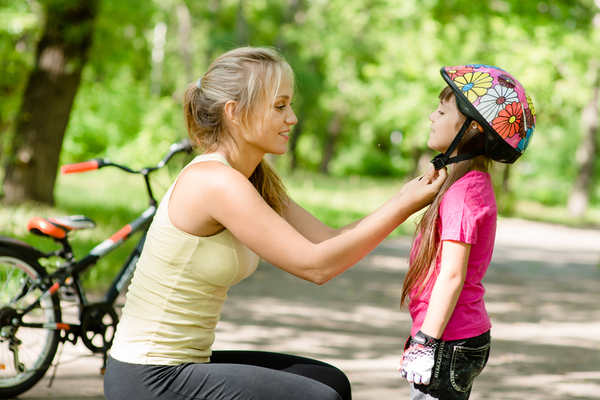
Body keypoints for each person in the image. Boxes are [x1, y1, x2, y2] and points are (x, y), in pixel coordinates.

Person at [103, 46, 447, 400]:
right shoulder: (214, 181)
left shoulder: (251, 176)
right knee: (318, 398)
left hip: (186, 365)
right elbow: (316, 267)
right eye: (280, 106)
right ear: (235, 113)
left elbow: (327, 240)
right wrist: (404, 206)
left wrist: (405, 197)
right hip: (149, 377)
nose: (293, 118)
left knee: (331, 382)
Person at [398, 64, 536, 400]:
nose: (431, 116)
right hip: (452, 336)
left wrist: (425, 341)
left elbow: (452, 275)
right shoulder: (467, 184)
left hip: (448, 339)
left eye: (442, 110)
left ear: (473, 128)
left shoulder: (463, 194)